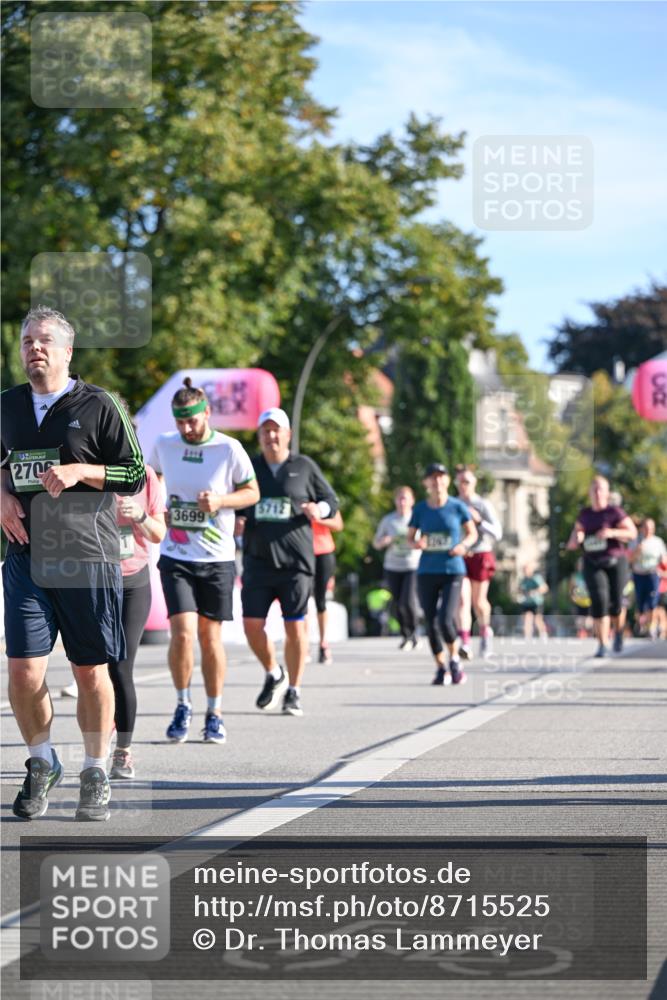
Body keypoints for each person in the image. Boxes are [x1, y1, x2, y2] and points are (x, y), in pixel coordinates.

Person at [1, 306, 145, 821]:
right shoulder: (6, 405)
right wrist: (1, 495)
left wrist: (81, 470)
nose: (34, 348)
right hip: (26, 555)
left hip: (86, 558)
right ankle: (42, 762)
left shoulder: (101, 404)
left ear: (67, 351)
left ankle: (95, 769)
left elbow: (133, 472)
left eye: (44, 341)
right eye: (27, 341)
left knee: (89, 671)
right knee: (23, 671)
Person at [150, 379, 259, 744]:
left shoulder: (229, 448)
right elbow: (153, 478)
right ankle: (183, 705)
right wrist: (158, 507)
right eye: (180, 421)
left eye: (192, 420)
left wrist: (221, 502)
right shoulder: (165, 444)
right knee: (182, 634)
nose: (186, 428)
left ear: (207, 413)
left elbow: (252, 492)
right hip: (177, 555)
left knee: (210, 638)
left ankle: (215, 712)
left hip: (216, 558)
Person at [239, 407, 339, 717]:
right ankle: (274, 672)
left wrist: (319, 510)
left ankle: (294, 690)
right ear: (259, 435)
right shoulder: (249, 467)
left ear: (287, 434)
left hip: (296, 562)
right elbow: (235, 503)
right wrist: (237, 520)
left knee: (295, 628)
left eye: (276, 430)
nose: (271, 436)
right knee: (251, 627)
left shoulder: (304, 466)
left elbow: (332, 501)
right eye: (265, 431)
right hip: (258, 560)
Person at [408, 463, 477, 686]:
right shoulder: (420, 509)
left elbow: (472, 533)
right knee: (430, 621)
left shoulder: (457, 507)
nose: (437, 481)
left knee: (446, 619)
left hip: (452, 570)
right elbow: (410, 537)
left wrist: (463, 546)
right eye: (432, 477)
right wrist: (417, 543)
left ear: (447, 481)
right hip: (427, 571)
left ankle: (454, 659)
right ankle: (440, 667)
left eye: (441, 477)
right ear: (426, 483)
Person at [566, 475, 637, 657]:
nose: (597, 493)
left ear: (607, 492)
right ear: (590, 493)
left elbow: (632, 533)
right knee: (599, 600)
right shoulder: (585, 514)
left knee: (616, 603)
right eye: (594, 489)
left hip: (615, 561)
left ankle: (618, 632)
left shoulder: (614, 512)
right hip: (592, 562)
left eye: (601, 489)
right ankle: (602, 643)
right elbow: (574, 538)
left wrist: (612, 532)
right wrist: (577, 538)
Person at [454, 467, 502, 658]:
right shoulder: (453, 504)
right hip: (460, 555)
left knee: (479, 602)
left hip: (481, 554)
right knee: (462, 600)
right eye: (460, 482)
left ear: (474, 483)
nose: (463, 485)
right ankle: (465, 642)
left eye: (466, 481)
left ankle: (485, 632)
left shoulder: (483, 504)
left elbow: (497, 533)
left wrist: (479, 521)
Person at [373, 486, 422, 650]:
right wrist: (384, 541)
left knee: (408, 601)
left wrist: (417, 543)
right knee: (398, 602)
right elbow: (376, 543)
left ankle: (414, 633)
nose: (402, 502)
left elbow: (426, 540)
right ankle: (406, 635)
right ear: (395, 501)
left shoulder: (417, 518)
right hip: (392, 566)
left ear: (412, 501)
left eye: (405, 498)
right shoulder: (388, 520)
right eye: (399, 498)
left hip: (412, 566)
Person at [311, 510, 344, 664]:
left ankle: (323, 644)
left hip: (323, 551)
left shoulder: (325, 499)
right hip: (299, 551)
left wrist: (316, 518)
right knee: (300, 601)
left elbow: (338, 524)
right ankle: (302, 645)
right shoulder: (296, 497)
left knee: (320, 601)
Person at [629, 518, 667, 639]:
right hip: (638, 574)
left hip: (653, 574)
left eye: (651, 528)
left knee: (652, 602)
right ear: (641, 528)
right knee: (640, 602)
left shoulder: (658, 542)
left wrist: (663, 566)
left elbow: (664, 559)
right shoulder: (635, 541)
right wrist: (637, 551)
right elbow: (629, 559)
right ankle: (641, 624)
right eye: (646, 527)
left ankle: (651, 627)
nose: (648, 530)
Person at [518, 562, 549, 639]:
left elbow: (545, 588)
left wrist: (535, 592)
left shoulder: (536, 578)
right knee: (526, 619)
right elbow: (520, 589)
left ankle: (543, 633)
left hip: (536, 602)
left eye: (526, 569)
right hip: (527, 602)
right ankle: (527, 636)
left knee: (538, 620)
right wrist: (523, 592)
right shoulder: (524, 580)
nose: (525, 571)